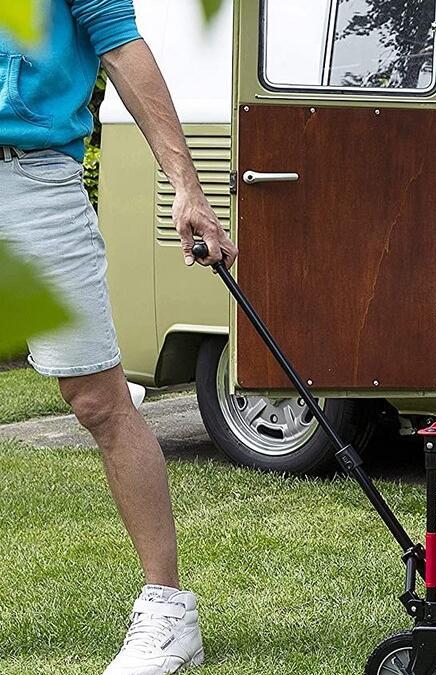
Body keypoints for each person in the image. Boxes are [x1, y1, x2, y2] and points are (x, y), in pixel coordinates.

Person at [0, 1, 236, 673]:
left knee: (98, 400)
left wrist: (185, 185)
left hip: (31, 177)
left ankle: (168, 611)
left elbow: (121, 48)